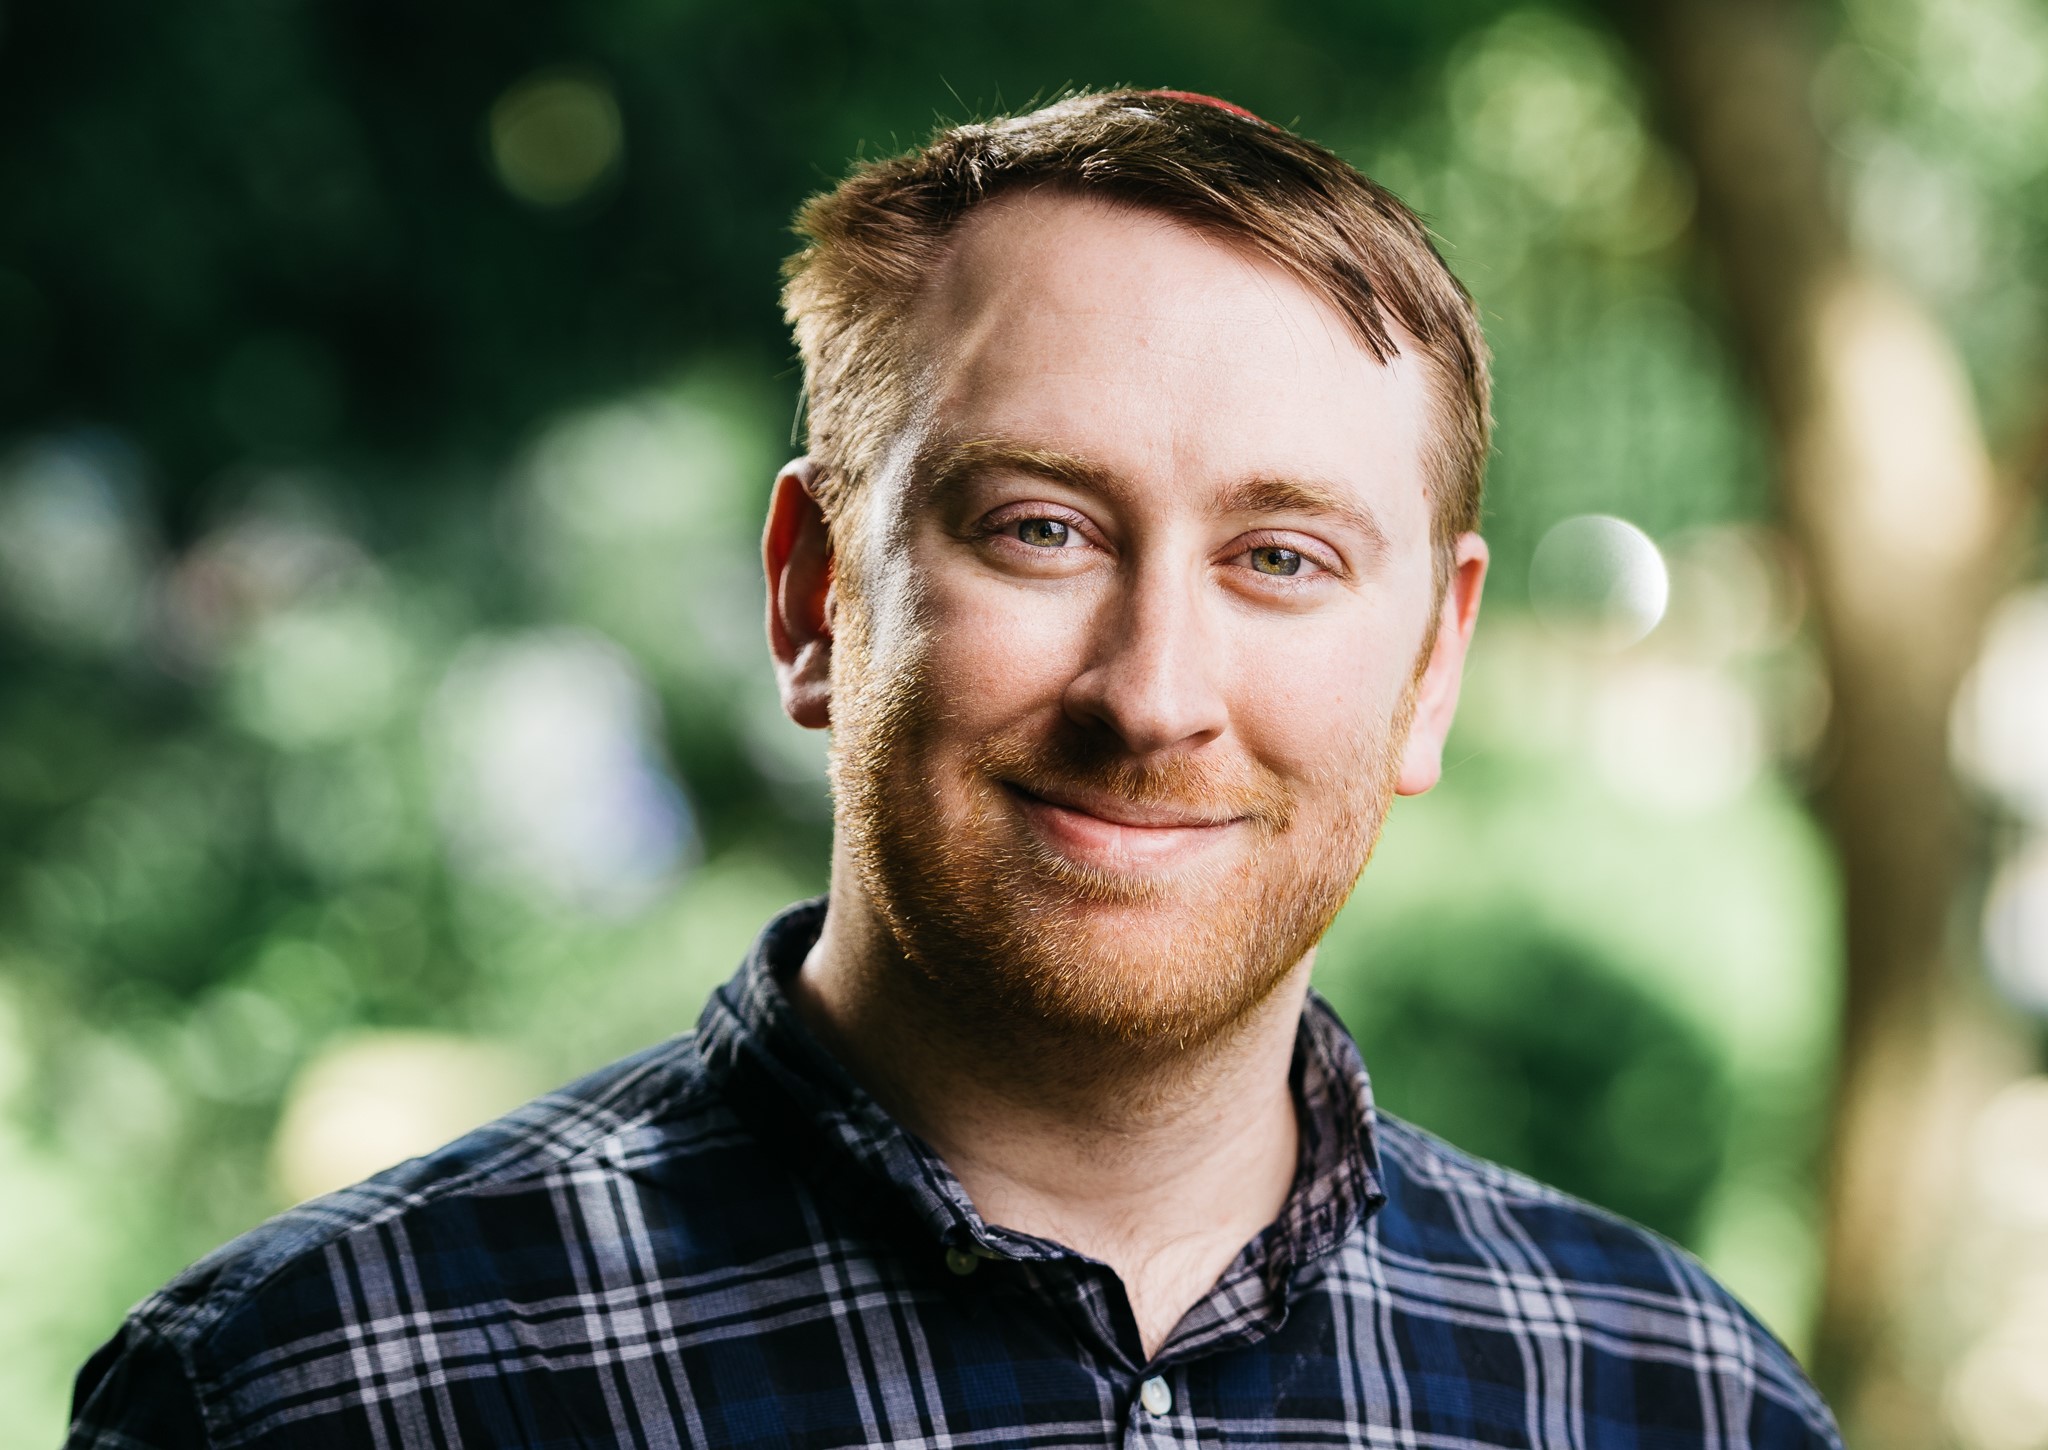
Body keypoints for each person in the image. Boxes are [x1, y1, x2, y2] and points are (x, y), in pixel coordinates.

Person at [67, 89, 1843, 1449]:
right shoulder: (311, 1397)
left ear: (1432, 662)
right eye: (1043, 528)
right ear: (814, 592)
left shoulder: (1678, 1401)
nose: (1154, 695)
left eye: (1282, 556)